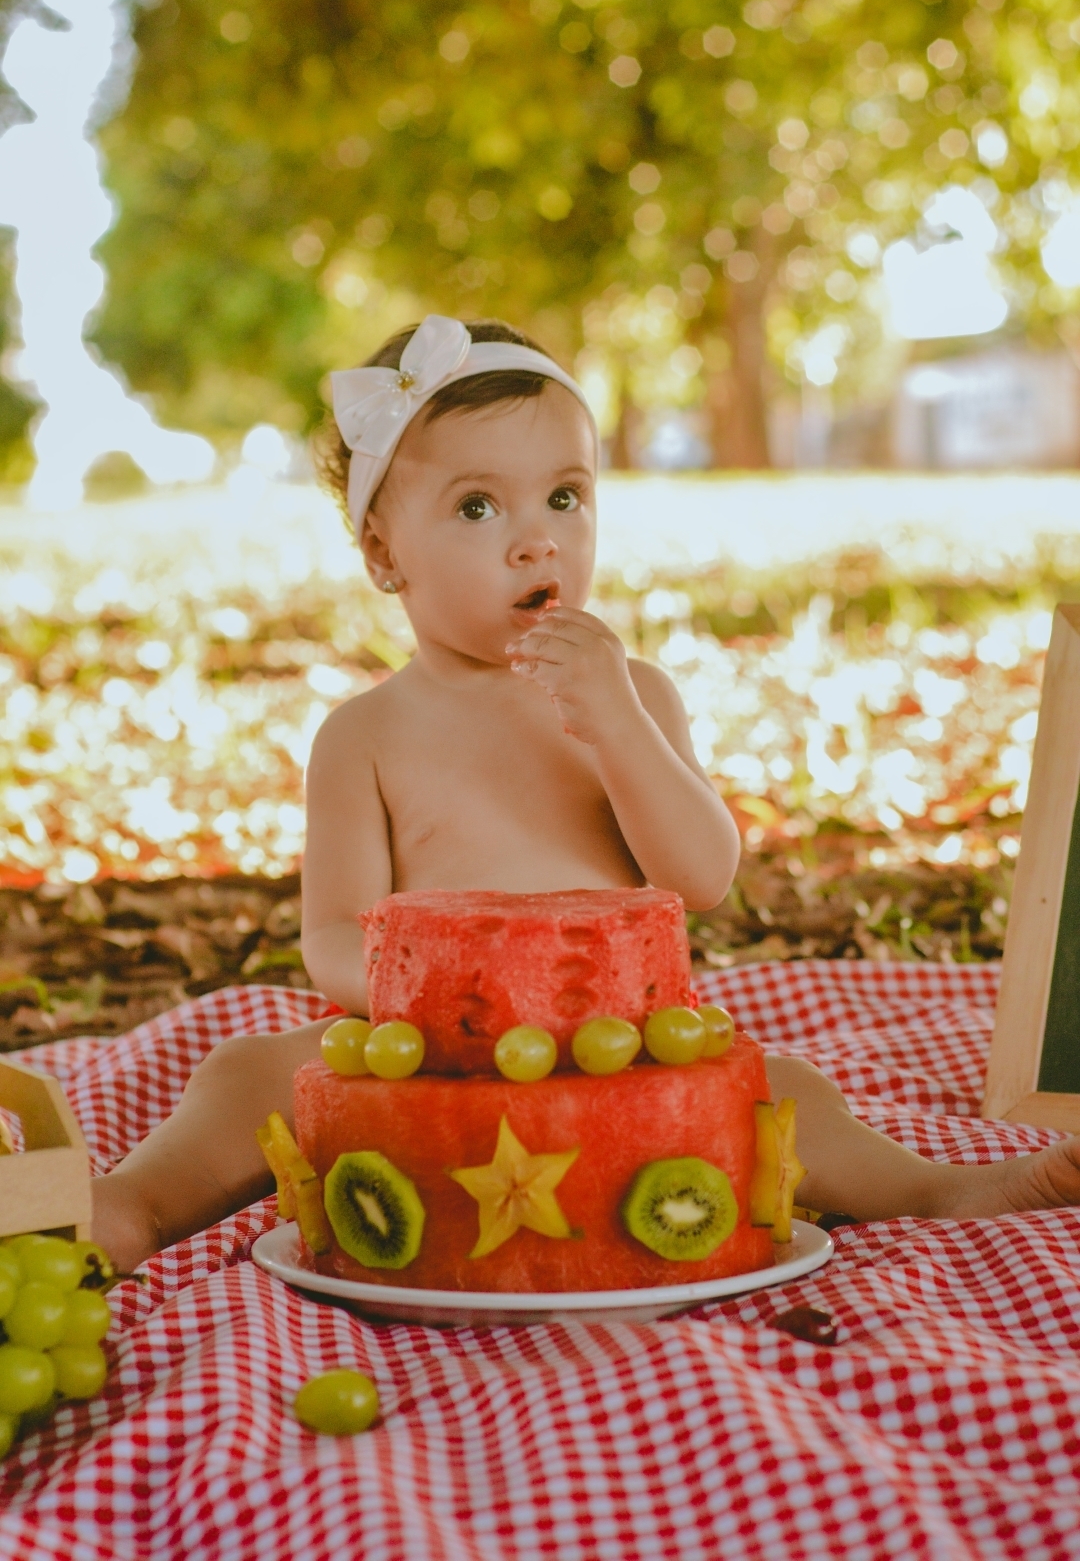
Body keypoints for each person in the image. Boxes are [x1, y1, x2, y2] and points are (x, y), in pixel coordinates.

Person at [91, 315, 1080, 1273]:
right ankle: (134, 1203)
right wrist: (441, 1007)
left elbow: (703, 877)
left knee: (783, 1091)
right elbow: (333, 937)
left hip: (624, 1049)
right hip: (430, 1058)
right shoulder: (364, 735)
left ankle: (941, 1190)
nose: (537, 542)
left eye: (564, 497)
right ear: (385, 554)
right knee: (248, 1074)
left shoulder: (636, 696)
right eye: (477, 508)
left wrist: (617, 726)